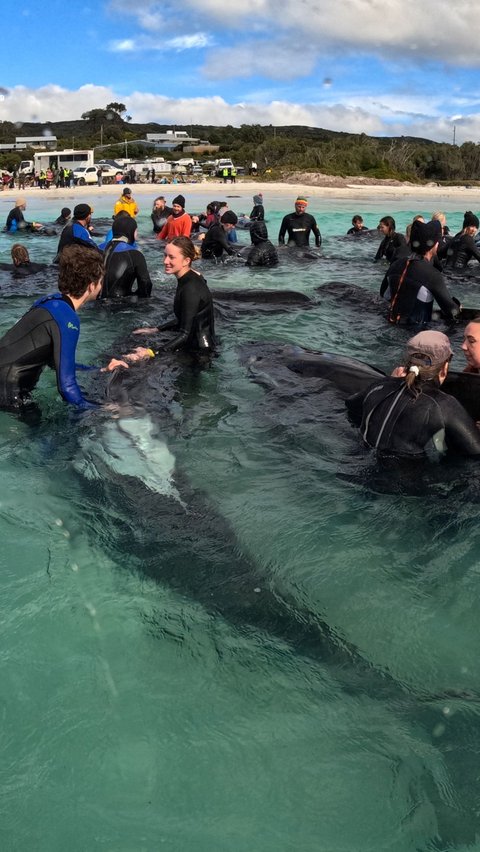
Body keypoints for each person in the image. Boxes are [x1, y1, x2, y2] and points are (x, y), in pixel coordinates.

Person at [0, 245, 128, 410]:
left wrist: (100, 369)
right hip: (9, 390)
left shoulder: (48, 301)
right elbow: (67, 388)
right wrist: (104, 409)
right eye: (101, 281)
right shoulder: (68, 318)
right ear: (91, 285)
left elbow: (55, 363)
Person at [346, 330, 480, 458]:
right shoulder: (444, 405)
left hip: (360, 465)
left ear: (408, 362)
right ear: (444, 368)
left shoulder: (379, 386)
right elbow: (476, 452)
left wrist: (390, 381)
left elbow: (351, 407)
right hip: (404, 479)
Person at [133, 236, 215, 353]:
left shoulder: (190, 289)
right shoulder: (191, 278)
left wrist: (152, 353)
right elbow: (185, 319)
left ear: (186, 261)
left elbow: (185, 334)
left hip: (199, 353)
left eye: (171, 257)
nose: (165, 261)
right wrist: (156, 329)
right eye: (165, 255)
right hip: (195, 344)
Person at [380, 219, 460, 326]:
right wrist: (457, 305)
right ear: (434, 245)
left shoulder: (396, 264)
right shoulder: (432, 274)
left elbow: (383, 293)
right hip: (416, 334)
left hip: (389, 324)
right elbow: (451, 311)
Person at [101, 216, 152, 299]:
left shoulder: (95, 248)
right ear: (131, 231)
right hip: (122, 306)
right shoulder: (135, 254)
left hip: (93, 302)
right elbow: (145, 283)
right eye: (136, 231)